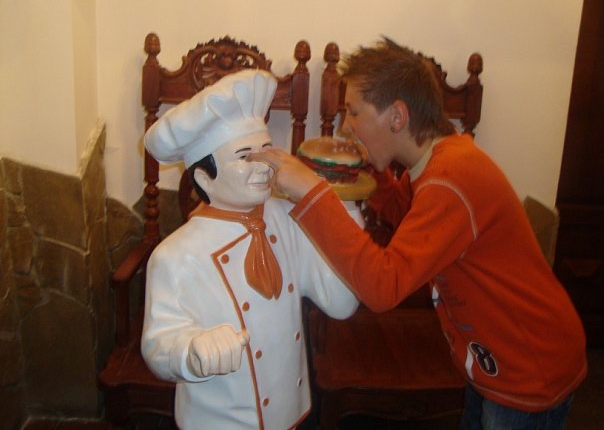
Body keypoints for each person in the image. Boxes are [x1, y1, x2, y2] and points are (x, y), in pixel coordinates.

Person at [248, 38, 587, 429]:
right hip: (493, 360)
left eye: (354, 112)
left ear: (397, 116)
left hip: (528, 366)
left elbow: (384, 285)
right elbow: (410, 217)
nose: (345, 125)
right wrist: (369, 171)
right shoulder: (440, 163)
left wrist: (311, 193)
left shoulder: (452, 179)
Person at [140, 69, 359, 430]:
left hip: (292, 414)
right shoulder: (175, 256)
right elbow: (158, 344)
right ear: (204, 178)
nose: (263, 166)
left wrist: (344, 207)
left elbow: (341, 303)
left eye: (266, 151)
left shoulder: (290, 218)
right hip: (217, 422)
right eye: (244, 156)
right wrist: (192, 351)